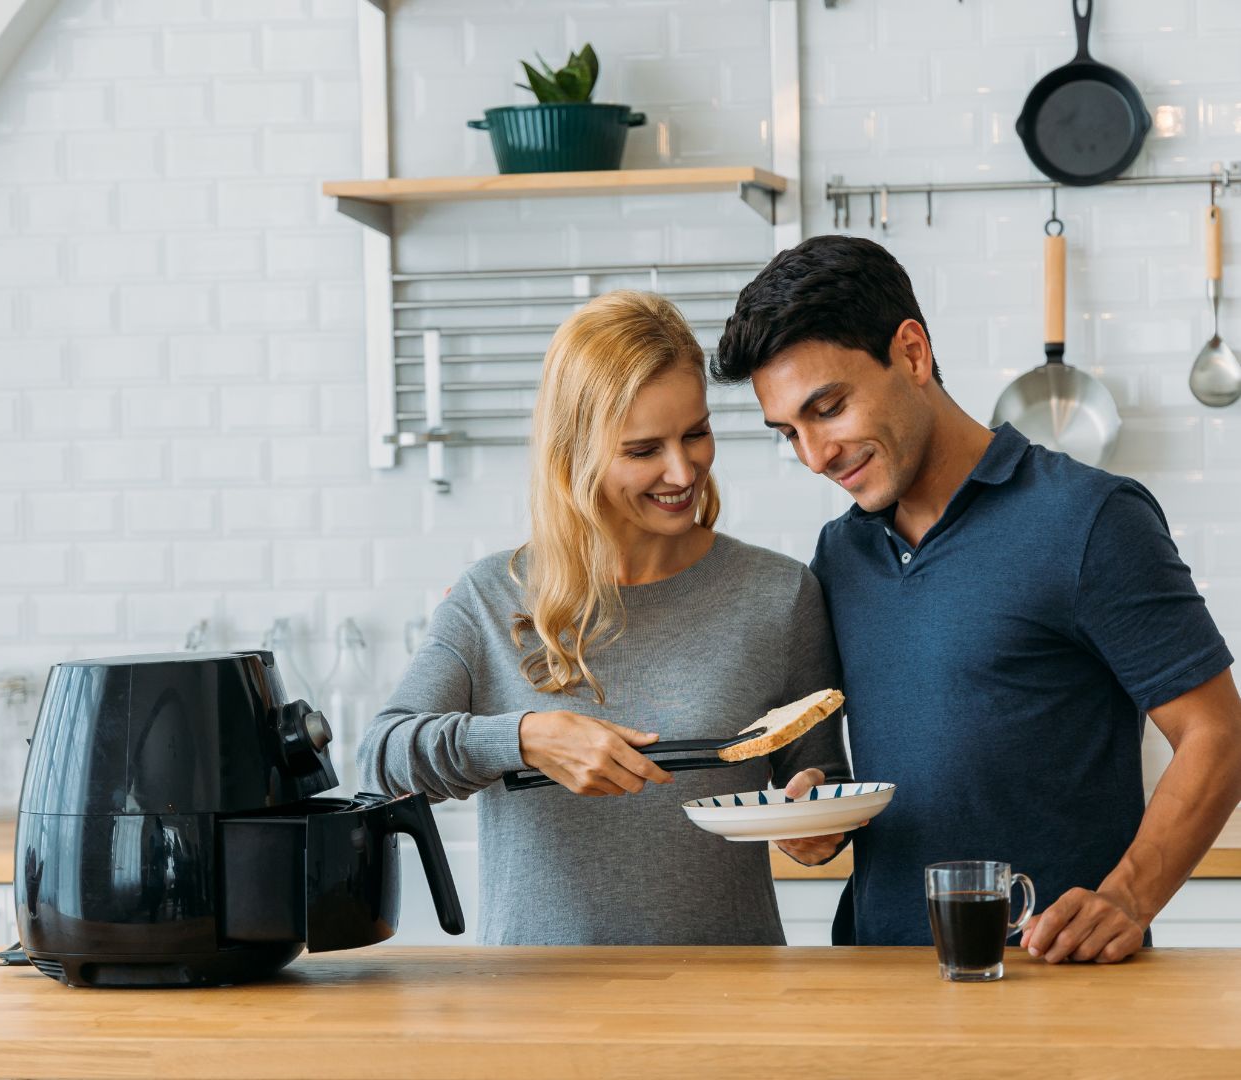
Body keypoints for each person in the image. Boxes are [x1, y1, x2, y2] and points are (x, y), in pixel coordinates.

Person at [710, 234, 1241, 962]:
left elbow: (1218, 735)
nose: (815, 455)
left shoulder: (1090, 519)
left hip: (1054, 981)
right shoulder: (842, 553)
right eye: (789, 433)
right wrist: (818, 810)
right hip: (878, 979)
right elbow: (856, 763)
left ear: (913, 353)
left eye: (828, 408)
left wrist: (1128, 896)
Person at [358, 290, 850, 945]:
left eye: (696, 434)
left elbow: (821, 784)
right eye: (644, 449)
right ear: (575, 453)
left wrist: (817, 821)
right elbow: (381, 758)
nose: (683, 470)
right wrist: (525, 739)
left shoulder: (779, 594)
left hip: (732, 1010)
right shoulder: (489, 598)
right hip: (540, 1018)